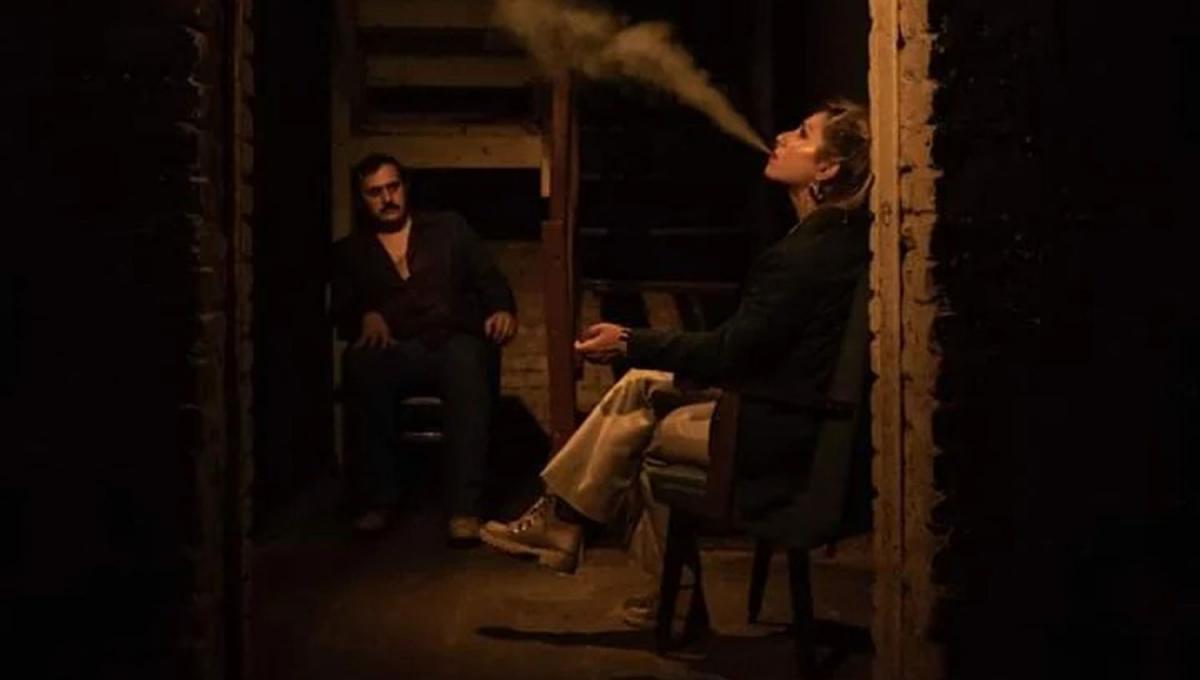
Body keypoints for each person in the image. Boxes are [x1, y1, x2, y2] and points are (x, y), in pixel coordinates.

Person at [480, 98, 873, 624]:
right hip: (794, 412)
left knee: (641, 440)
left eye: (802, 133)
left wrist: (628, 340)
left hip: (776, 432)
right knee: (639, 392)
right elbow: (746, 348)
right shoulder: (834, 240)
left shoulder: (802, 256)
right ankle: (569, 522)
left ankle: (612, 550)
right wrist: (639, 345)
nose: (781, 136)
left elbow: (728, 354)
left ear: (826, 169)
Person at [332, 153, 518, 545]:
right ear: (362, 199)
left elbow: (490, 279)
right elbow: (341, 311)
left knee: (467, 361)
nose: (387, 199)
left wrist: (501, 308)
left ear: (405, 187)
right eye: (375, 193)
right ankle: (377, 500)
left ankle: (464, 508)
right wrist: (365, 315)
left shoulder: (448, 229)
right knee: (362, 362)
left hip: (452, 339)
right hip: (398, 347)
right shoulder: (352, 251)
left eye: (393, 187)